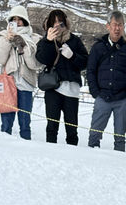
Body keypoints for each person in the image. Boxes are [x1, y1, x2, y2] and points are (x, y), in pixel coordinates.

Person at [36, 10, 88, 146]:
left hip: (71, 90)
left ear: (66, 23)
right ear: (48, 25)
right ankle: (52, 154)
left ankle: (72, 155)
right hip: (53, 88)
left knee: (72, 129)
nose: (57, 26)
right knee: (52, 127)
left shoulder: (74, 40)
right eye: (54, 23)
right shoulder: (44, 41)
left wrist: (72, 56)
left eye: (60, 22)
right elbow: (41, 58)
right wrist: (48, 41)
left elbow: (85, 62)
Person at [87, 11, 126, 152]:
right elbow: (90, 71)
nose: (117, 28)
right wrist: (95, 92)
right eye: (114, 25)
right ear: (108, 26)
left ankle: (119, 165)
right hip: (102, 97)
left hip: (122, 99)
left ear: (123, 27)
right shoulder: (98, 47)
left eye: (120, 25)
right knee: (94, 134)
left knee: (120, 136)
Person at [0, 5, 41, 140]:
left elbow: (34, 65)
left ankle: (26, 148)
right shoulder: (3, 36)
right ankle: (4, 146)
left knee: (25, 122)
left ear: (25, 21)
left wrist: (24, 46)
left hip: (26, 82)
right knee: (6, 122)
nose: (16, 22)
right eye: (13, 19)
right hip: (9, 83)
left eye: (19, 19)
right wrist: (8, 41)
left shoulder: (34, 38)